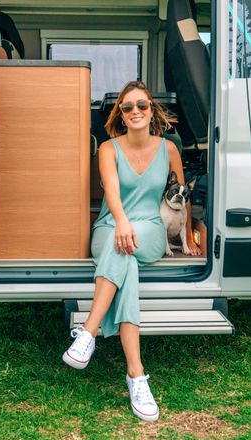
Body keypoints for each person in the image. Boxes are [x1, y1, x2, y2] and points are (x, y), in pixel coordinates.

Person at [62, 81, 201, 422]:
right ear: (120, 115)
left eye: (141, 105)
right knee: (124, 256)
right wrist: (121, 221)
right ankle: (136, 375)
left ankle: (88, 333)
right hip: (111, 226)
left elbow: (181, 197)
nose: (135, 111)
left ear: (152, 111)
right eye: (127, 107)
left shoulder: (169, 149)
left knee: (125, 247)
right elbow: (111, 189)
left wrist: (191, 236)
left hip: (152, 229)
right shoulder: (108, 149)